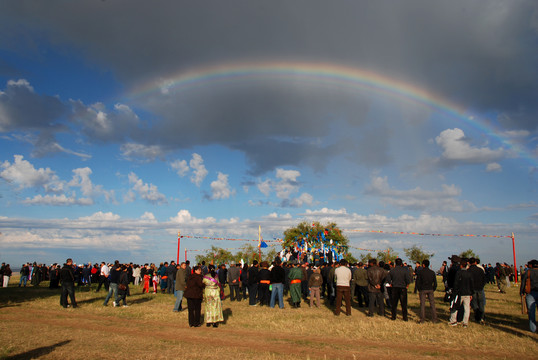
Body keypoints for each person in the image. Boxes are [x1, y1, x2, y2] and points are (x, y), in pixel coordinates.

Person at [449, 259, 474, 327]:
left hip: (460, 293)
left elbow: (456, 283)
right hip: (468, 293)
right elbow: (471, 283)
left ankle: (453, 321)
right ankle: (465, 322)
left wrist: (454, 292)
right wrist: (472, 293)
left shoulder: (459, 273)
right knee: (467, 308)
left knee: (455, 307)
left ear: (461, 265)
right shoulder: (469, 273)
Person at [416, 259, 438, 323]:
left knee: (422, 304)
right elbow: (435, 283)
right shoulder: (432, 272)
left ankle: (422, 319)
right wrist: (433, 288)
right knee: (432, 304)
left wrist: (419, 289)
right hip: (430, 289)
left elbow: (418, 282)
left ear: (423, 265)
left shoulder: (420, 272)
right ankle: (434, 319)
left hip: (423, 289)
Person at [520, 259, 538, 333]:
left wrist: (521, 291)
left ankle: (533, 328)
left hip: (530, 293)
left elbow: (523, 282)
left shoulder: (528, 272)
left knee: (531, 312)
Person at [467, 257, 486, 324]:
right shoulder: (480, 270)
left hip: (473, 289)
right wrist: (482, 285)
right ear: (475, 262)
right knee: (481, 302)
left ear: (469, 263)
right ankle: (482, 316)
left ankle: (477, 316)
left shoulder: (469, 270)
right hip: (480, 288)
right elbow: (484, 279)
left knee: (474, 303)